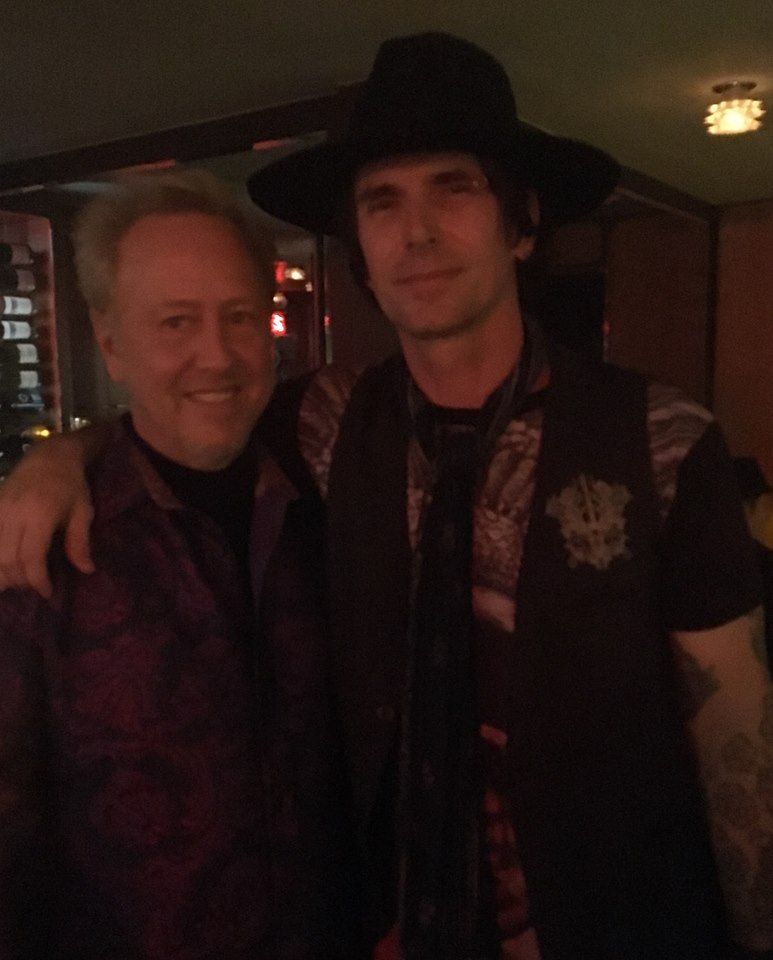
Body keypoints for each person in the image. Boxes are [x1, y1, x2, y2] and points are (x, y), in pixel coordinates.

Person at [0, 33, 771, 960]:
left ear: (521, 221)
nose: (417, 231)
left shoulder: (662, 441)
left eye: (453, 188)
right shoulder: (323, 424)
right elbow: (186, 406)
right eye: (382, 201)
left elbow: (739, 748)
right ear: (359, 247)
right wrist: (60, 458)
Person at [0, 171, 353, 959]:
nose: (216, 355)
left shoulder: (324, 487)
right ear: (111, 344)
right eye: (175, 322)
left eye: (238, 316)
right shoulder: (37, 553)